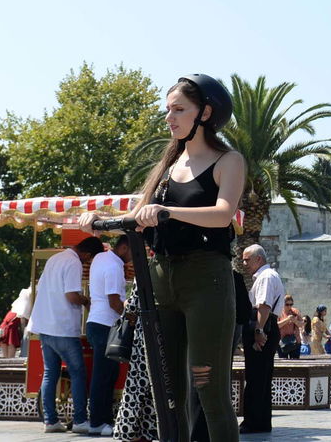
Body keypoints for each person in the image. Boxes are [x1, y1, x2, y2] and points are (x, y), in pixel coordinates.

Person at [80, 73, 245, 442]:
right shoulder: (168, 168)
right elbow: (137, 216)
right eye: (168, 110)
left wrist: (168, 212)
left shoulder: (227, 160)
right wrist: (98, 221)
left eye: (178, 109)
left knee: (208, 388)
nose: (169, 117)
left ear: (205, 113)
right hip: (160, 280)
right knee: (167, 393)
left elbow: (223, 213)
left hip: (207, 280)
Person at [29, 235, 104, 434]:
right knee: (77, 373)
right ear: (87, 254)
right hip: (63, 327)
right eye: (89, 259)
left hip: (46, 326)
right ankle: (80, 420)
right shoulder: (73, 263)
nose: (88, 263)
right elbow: (71, 296)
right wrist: (85, 300)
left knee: (50, 374)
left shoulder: (55, 258)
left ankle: (50, 420)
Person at [87, 235, 130, 435]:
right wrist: (132, 317)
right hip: (105, 324)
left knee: (106, 374)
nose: (132, 257)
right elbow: (114, 301)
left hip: (96, 322)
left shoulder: (100, 258)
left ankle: (103, 419)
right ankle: (97, 421)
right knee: (104, 375)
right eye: (132, 251)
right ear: (123, 248)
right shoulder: (114, 266)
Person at [240, 244, 283, 433]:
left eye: (247, 259)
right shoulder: (269, 276)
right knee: (262, 377)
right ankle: (262, 421)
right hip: (267, 326)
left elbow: (263, 307)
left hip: (263, 325)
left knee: (256, 378)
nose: (244, 263)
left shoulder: (265, 277)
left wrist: (258, 331)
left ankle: (253, 422)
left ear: (259, 259)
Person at [113, 289, 158, 442]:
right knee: (153, 391)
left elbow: (132, 305)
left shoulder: (144, 269)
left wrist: (125, 304)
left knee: (137, 387)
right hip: (165, 333)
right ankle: (148, 432)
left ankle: (129, 431)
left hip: (144, 334)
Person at [0, 287, 32, 358]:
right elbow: (22, 322)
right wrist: (23, 335)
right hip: (11, 328)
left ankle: (5, 366)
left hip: (3, 327)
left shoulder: (16, 307)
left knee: (5, 355)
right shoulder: (23, 308)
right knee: (11, 353)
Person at [277, 294, 302, 360]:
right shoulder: (278, 311)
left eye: (291, 304)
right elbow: (276, 325)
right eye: (287, 304)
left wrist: (294, 321)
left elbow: (301, 324)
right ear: (283, 304)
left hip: (295, 341)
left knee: (295, 362)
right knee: (283, 363)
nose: (289, 306)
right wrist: (287, 319)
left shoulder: (295, 311)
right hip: (282, 342)